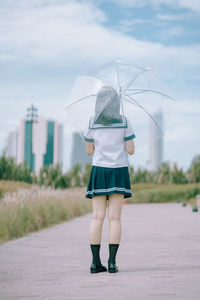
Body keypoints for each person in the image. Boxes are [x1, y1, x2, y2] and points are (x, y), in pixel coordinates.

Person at [84, 85, 135, 274]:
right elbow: (130, 149)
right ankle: (112, 263)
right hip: (118, 171)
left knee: (97, 217)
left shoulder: (92, 121)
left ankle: (95, 263)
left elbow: (90, 151)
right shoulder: (124, 121)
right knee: (115, 218)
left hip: (99, 170)